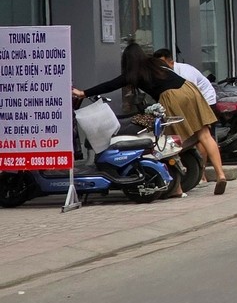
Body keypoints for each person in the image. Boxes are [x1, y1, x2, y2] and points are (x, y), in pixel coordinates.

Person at [73, 42, 228, 196]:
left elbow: (110, 85)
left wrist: (83, 93)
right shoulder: (156, 63)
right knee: (205, 135)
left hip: (171, 96)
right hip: (189, 89)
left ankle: (177, 187)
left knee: (167, 142)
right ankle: (220, 174)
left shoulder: (134, 73)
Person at [154, 48, 217, 184]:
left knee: (200, 136)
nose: (161, 67)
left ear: (171, 62)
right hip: (191, 102)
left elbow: (191, 95)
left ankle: (202, 173)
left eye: (163, 63)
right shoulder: (166, 73)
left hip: (205, 100)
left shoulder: (185, 72)